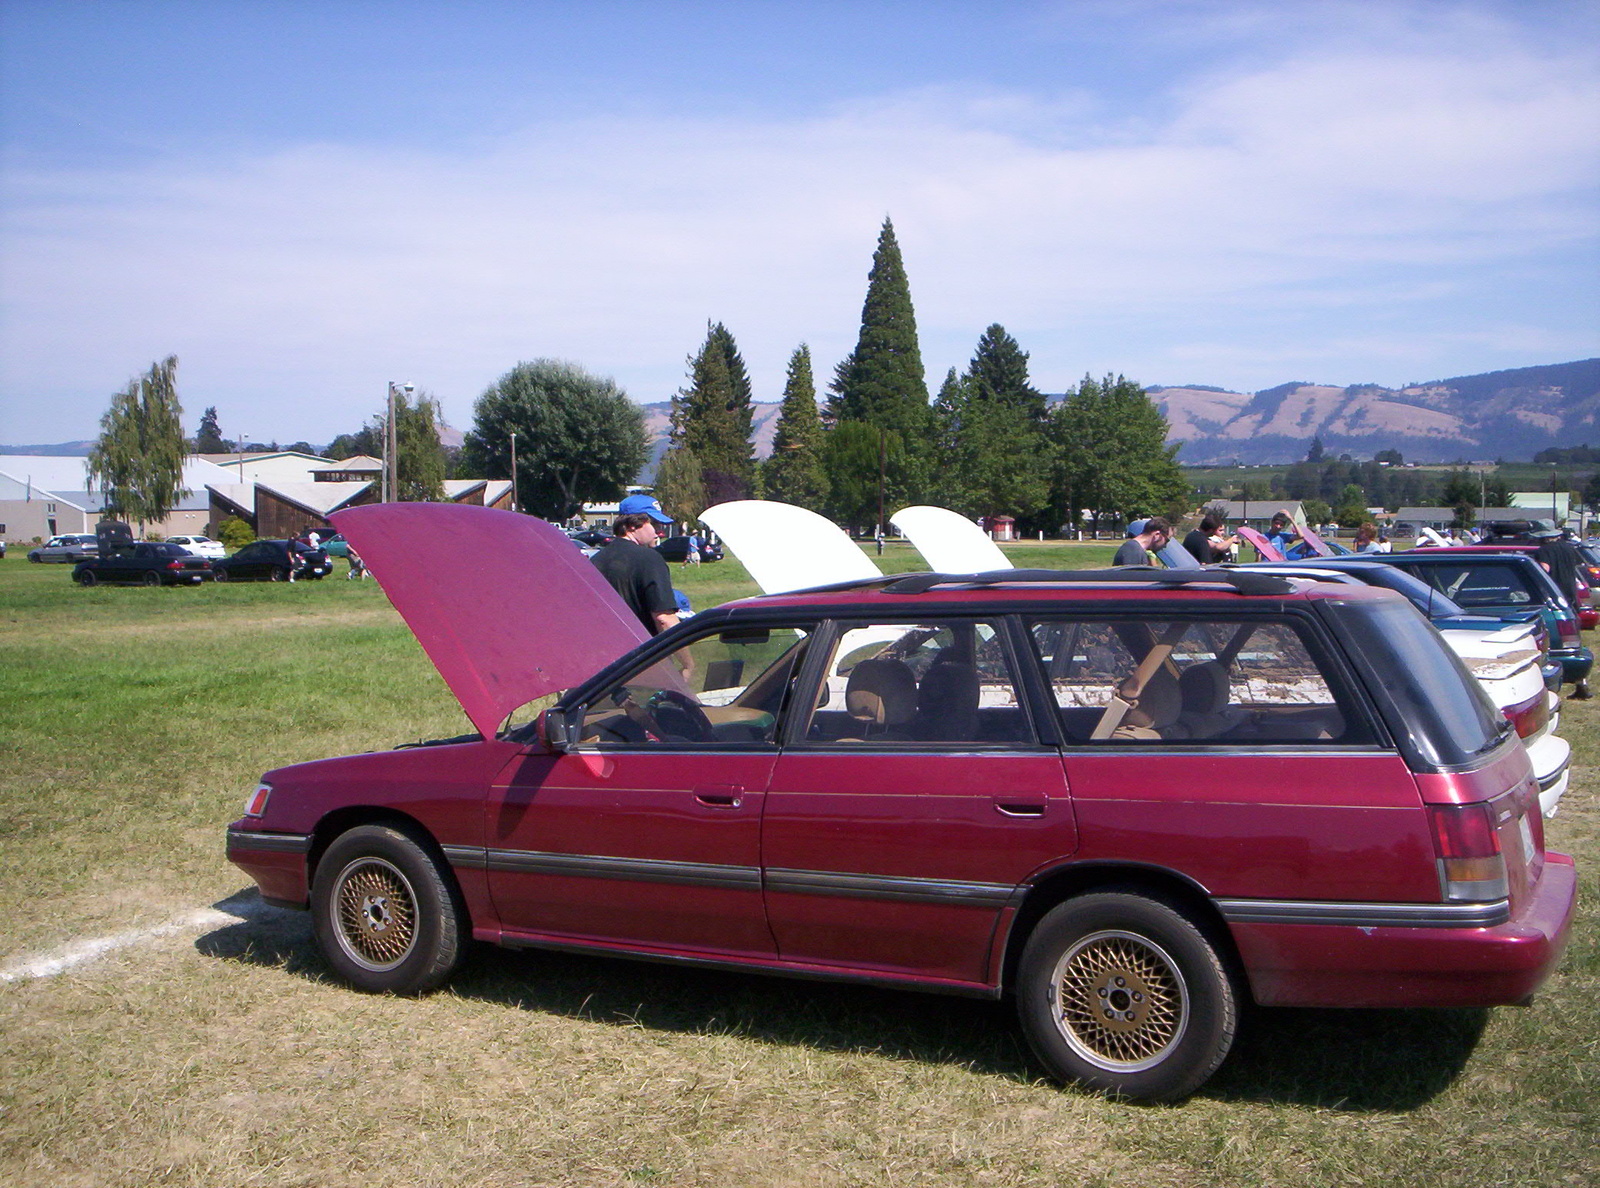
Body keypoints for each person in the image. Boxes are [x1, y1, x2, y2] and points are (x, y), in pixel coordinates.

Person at [591, 494, 680, 635]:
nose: (659, 532)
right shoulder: (649, 559)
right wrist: (686, 657)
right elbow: (664, 618)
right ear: (632, 525)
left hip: (605, 648)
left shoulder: (595, 561)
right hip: (644, 651)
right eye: (655, 524)